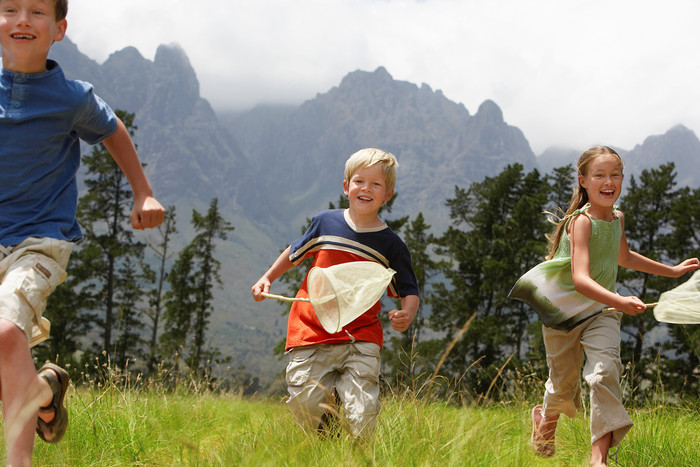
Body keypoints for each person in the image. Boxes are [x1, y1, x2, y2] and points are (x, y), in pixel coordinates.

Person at [0, 0, 165, 464]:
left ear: (59, 28)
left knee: (6, 333)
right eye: (10, 8)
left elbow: (113, 130)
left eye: (36, 11)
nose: (22, 19)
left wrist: (143, 192)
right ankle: (43, 390)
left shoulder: (70, 97)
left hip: (38, 242)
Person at [509, 146, 699, 466]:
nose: (608, 181)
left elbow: (623, 257)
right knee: (562, 385)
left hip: (601, 313)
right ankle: (545, 422)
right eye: (599, 175)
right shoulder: (580, 223)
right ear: (583, 181)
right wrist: (621, 301)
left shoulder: (616, 217)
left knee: (603, 373)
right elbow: (581, 279)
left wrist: (673, 270)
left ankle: (599, 460)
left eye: (615, 175)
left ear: (622, 179)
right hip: (564, 314)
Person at [251, 148, 420, 438]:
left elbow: (409, 289)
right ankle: (326, 428)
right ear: (346, 186)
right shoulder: (325, 223)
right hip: (311, 331)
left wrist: (407, 313)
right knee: (304, 403)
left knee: (363, 413)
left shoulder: (390, 245)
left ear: (387, 194)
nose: (366, 188)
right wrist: (267, 278)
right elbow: (294, 252)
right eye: (359, 181)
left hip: (360, 336)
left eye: (376, 184)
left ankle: (355, 448)